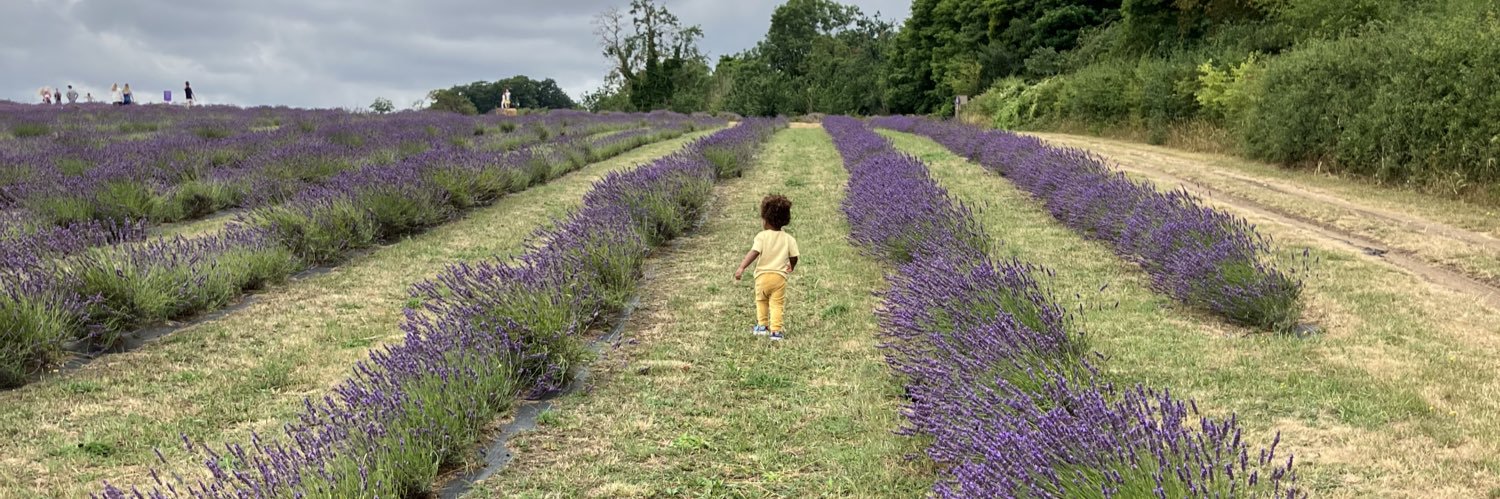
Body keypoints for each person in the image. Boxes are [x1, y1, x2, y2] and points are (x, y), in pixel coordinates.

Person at [733, 194, 800, 341]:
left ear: (766, 220)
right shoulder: (789, 239)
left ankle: (762, 326)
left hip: (762, 277)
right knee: (777, 304)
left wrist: (741, 267)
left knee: (761, 301)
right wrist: (791, 266)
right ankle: (776, 331)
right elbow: (794, 257)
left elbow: (754, 253)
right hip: (779, 278)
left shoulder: (762, 236)